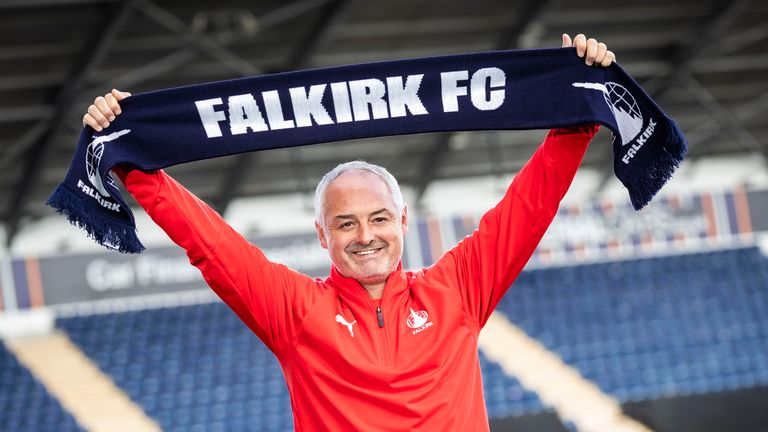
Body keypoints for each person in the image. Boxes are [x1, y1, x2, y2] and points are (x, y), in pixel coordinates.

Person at [83, 34, 615, 431]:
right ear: (323, 236)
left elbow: (528, 208)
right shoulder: (293, 312)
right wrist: (129, 156)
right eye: (346, 223)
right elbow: (209, 242)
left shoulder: (457, 290)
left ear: (402, 222)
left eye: (379, 218)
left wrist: (579, 106)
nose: (366, 235)